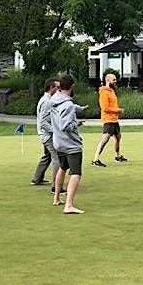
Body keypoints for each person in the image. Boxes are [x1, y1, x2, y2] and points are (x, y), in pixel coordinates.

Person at [50, 74, 86, 214]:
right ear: (72, 86)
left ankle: (57, 198)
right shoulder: (67, 104)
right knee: (76, 173)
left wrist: (79, 108)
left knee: (62, 168)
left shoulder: (55, 99)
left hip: (59, 142)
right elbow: (65, 125)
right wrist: (77, 123)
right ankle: (69, 205)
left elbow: (67, 106)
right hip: (71, 145)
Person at [91, 72, 126, 167]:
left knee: (118, 137)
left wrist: (117, 112)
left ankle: (118, 156)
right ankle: (95, 160)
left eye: (115, 80)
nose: (115, 81)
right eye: (113, 80)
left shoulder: (112, 91)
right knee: (105, 139)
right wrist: (118, 110)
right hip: (108, 120)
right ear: (107, 80)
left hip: (114, 120)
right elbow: (105, 108)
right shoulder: (104, 93)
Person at [31, 77, 61, 187]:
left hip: (45, 134)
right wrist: (55, 131)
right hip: (47, 135)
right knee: (57, 158)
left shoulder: (47, 99)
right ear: (51, 88)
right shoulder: (47, 101)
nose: (59, 90)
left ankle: (37, 178)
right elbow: (43, 122)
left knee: (47, 156)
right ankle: (56, 186)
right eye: (57, 87)